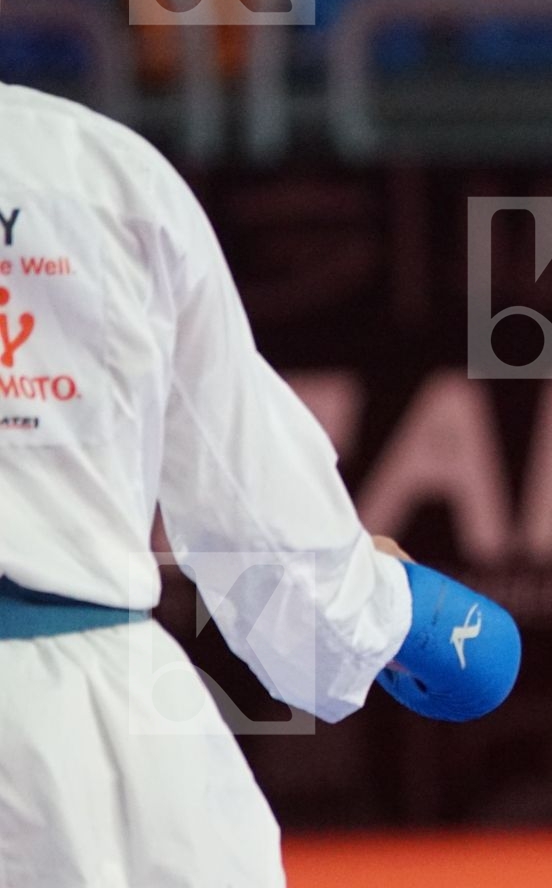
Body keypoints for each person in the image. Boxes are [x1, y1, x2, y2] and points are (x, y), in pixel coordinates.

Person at [0, 50, 518, 882]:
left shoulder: (113, 176)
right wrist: (397, 614)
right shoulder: (103, 175)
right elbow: (249, 503)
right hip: (90, 743)